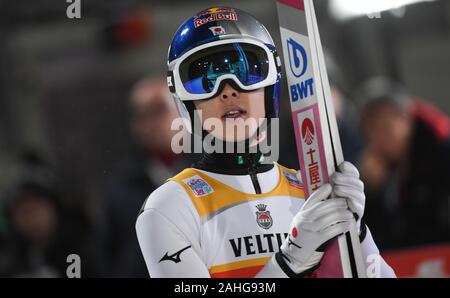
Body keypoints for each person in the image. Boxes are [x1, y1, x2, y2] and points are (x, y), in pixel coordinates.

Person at [136, 7, 395, 278]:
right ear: (185, 101)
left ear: (271, 86)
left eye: (248, 71)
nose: (229, 90)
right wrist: (289, 261)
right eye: (205, 80)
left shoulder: (310, 190)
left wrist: (355, 232)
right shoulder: (170, 207)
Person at [99, 77, 192, 277]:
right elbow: (110, 258)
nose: (150, 122)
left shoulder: (212, 172)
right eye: (141, 114)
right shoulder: (121, 188)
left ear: (182, 112)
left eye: (159, 110)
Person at [358, 77, 450, 250]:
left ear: (407, 120)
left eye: (386, 127)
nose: (379, 138)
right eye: (371, 130)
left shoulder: (441, 153)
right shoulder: (378, 165)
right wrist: (369, 190)